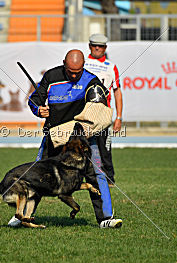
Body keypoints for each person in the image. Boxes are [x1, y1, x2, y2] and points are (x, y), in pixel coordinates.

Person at [9, 49, 122, 228]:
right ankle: (22, 216)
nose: (75, 75)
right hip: (54, 135)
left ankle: (105, 219)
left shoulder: (91, 81)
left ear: (83, 66)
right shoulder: (51, 76)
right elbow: (34, 100)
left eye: (78, 72)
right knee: (36, 173)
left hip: (81, 138)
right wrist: (39, 109)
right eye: (71, 72)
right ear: (64, 63)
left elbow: (100, 108)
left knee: (98, 174)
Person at [84, 33, 123, 187]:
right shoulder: (82, 62)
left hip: (103, 113)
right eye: (95, 45)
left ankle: (109, 177)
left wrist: (119, 117)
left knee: (104, 147)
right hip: (84, 112)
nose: (98, 48)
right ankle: (82, 177)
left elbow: (117, 91)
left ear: (105, 48)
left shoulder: (111, 66)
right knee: (80, 144)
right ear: (90, 46)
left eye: (101, 46)